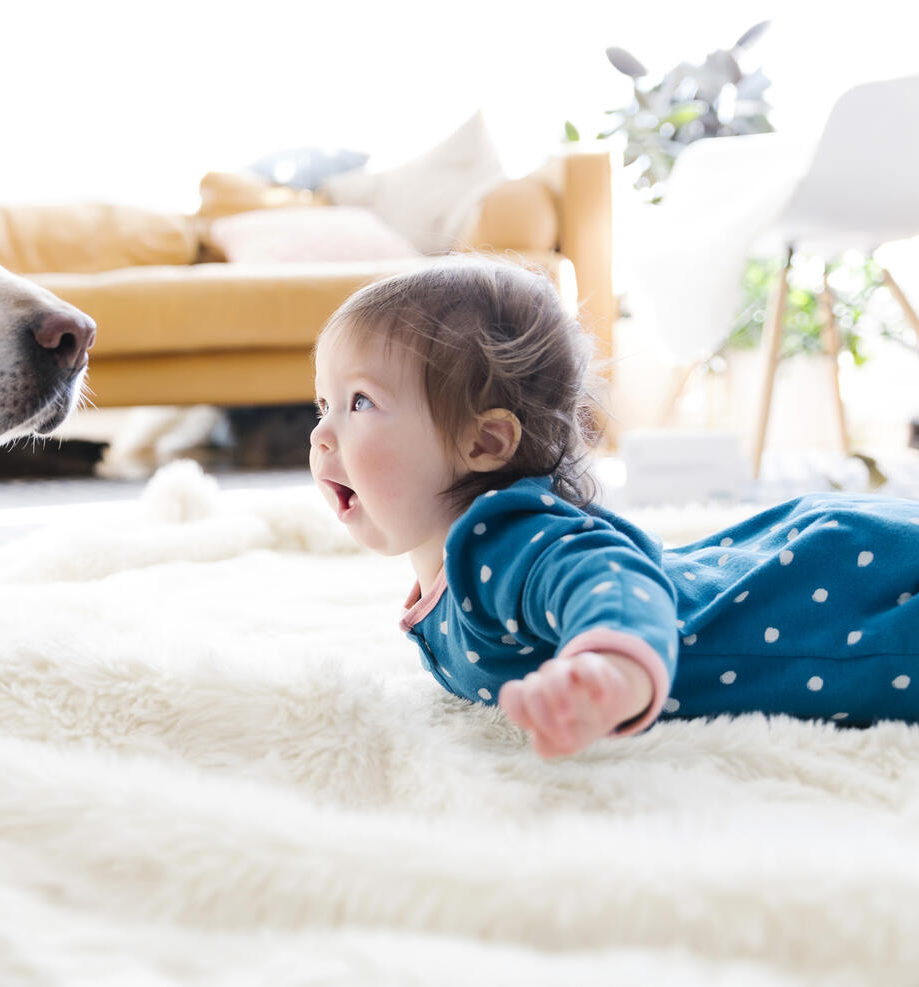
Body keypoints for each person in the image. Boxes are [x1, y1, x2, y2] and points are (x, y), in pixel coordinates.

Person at [308, 255, 919, 757]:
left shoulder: (506, 540)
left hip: (856, 592)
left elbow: (618, 584)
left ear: (483, 442)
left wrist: (606, 666)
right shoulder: (460, 570)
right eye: (322, 405)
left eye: (359, 402)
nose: (321, 434)